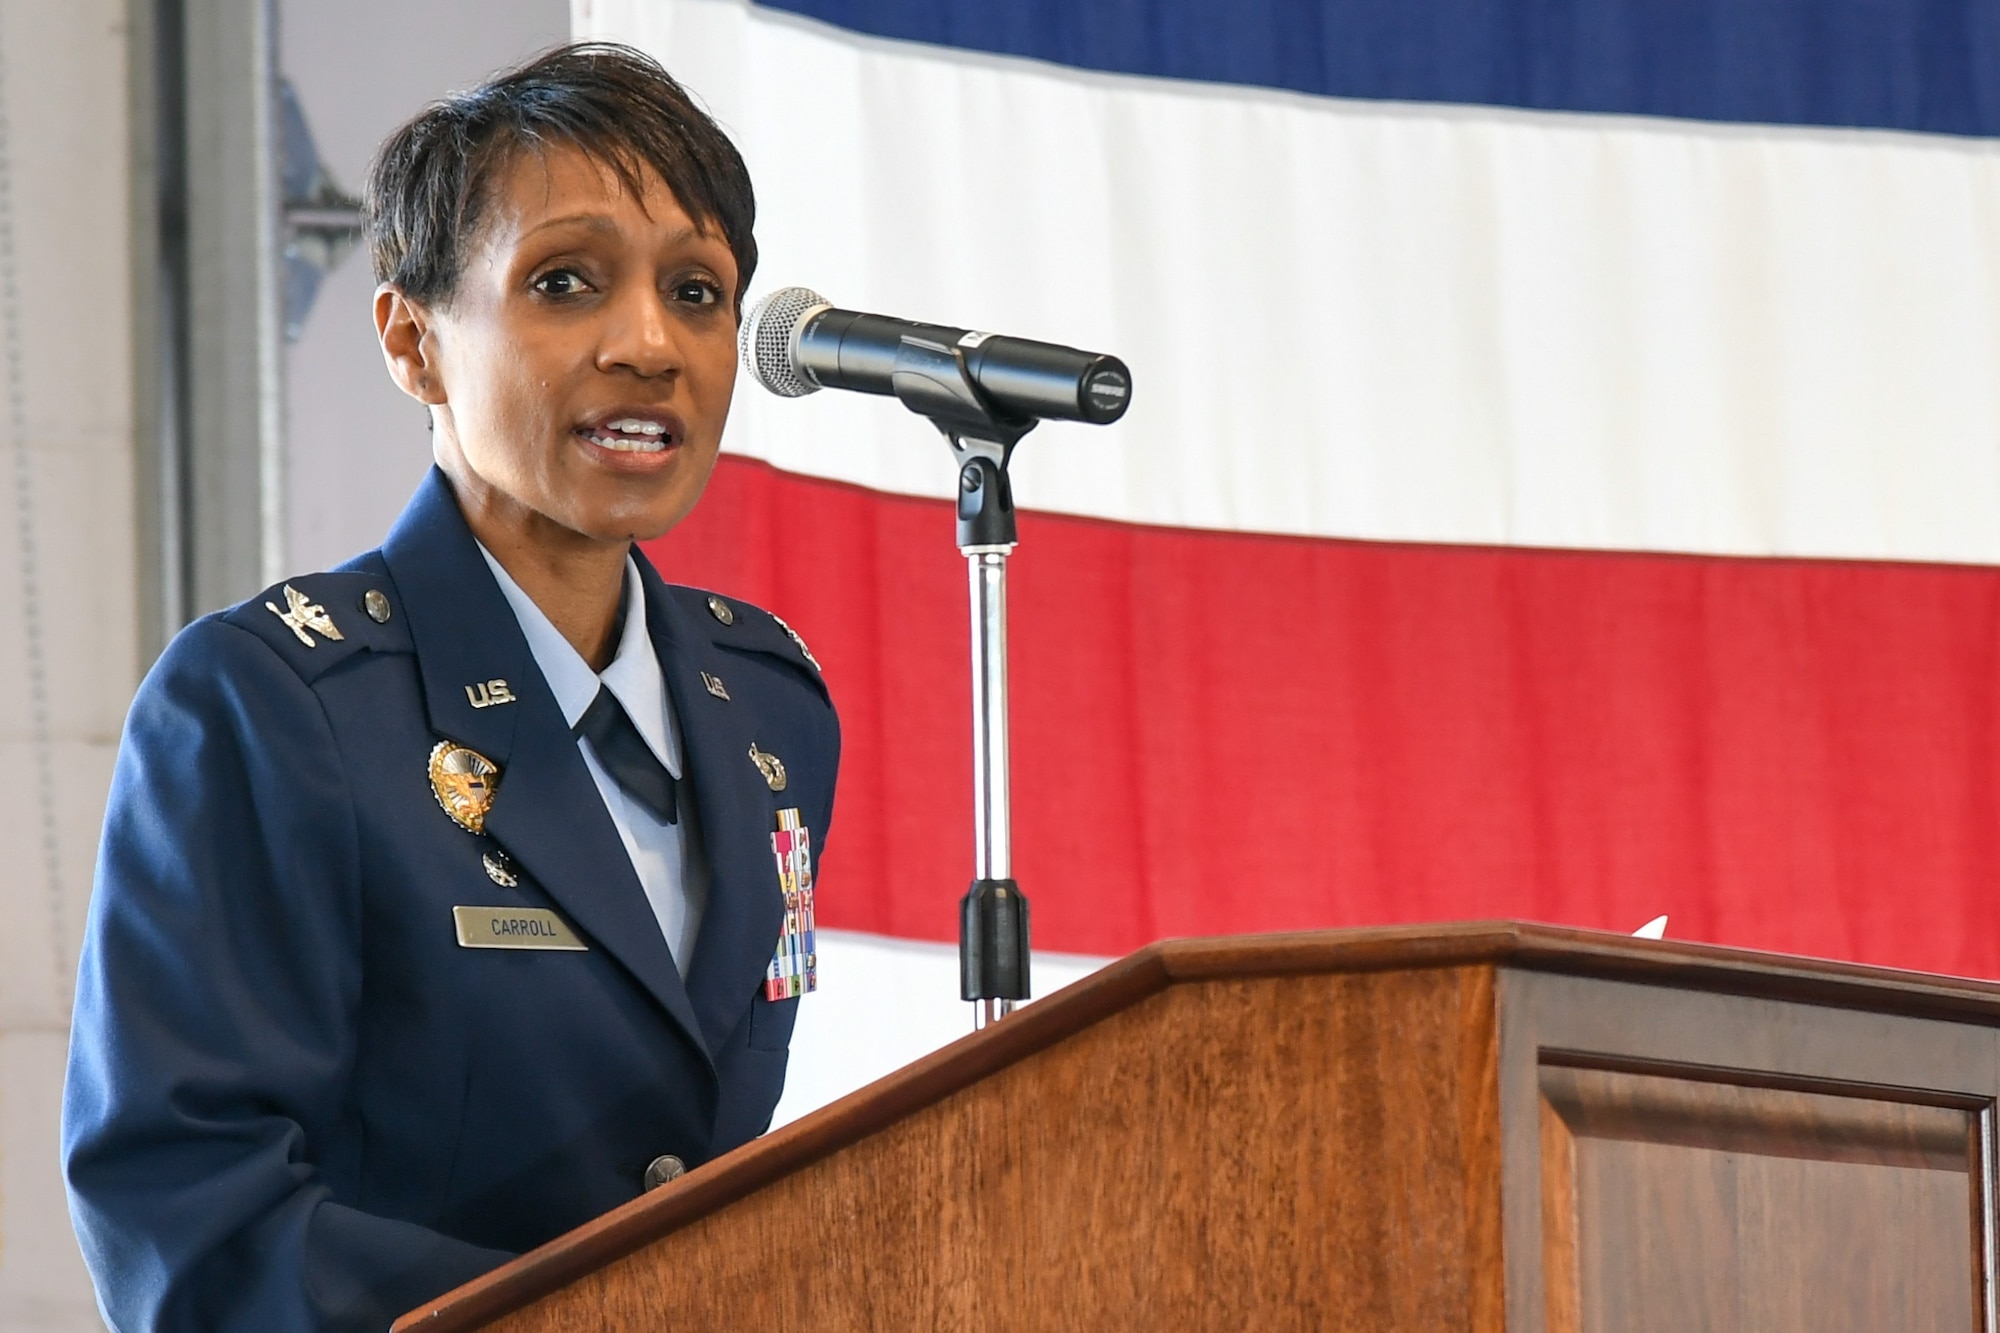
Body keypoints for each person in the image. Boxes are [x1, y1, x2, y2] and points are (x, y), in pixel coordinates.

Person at [61, 43, 838, 1331]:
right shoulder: (271, 707)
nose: (650, 344)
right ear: (412, 341)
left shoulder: (773, 712)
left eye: (698, 292)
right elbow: (191, 1225)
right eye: (567, 282)